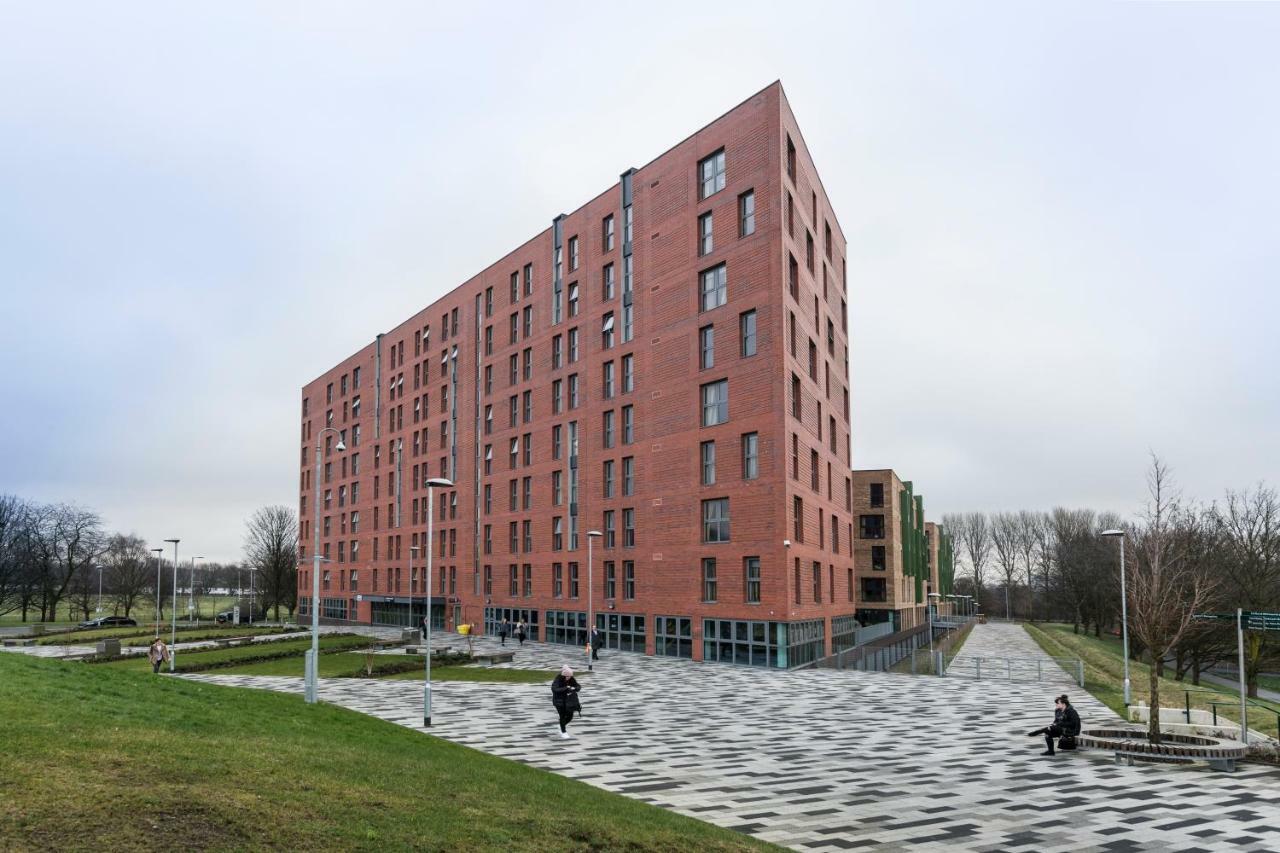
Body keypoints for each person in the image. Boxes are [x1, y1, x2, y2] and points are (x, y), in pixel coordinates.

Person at [551, 665, 581, 738]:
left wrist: (574, 688)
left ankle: (561, 725)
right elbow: (554, 689)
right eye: (567, 676)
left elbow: (578, 686)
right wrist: (566, 688)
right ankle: (563, 732)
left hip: (569, 701)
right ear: (563, 675)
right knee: (562, 716)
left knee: (570, 716)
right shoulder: (558, 680)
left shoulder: (571, 679)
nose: (568, 678)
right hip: (559, 701)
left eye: (570, 676)